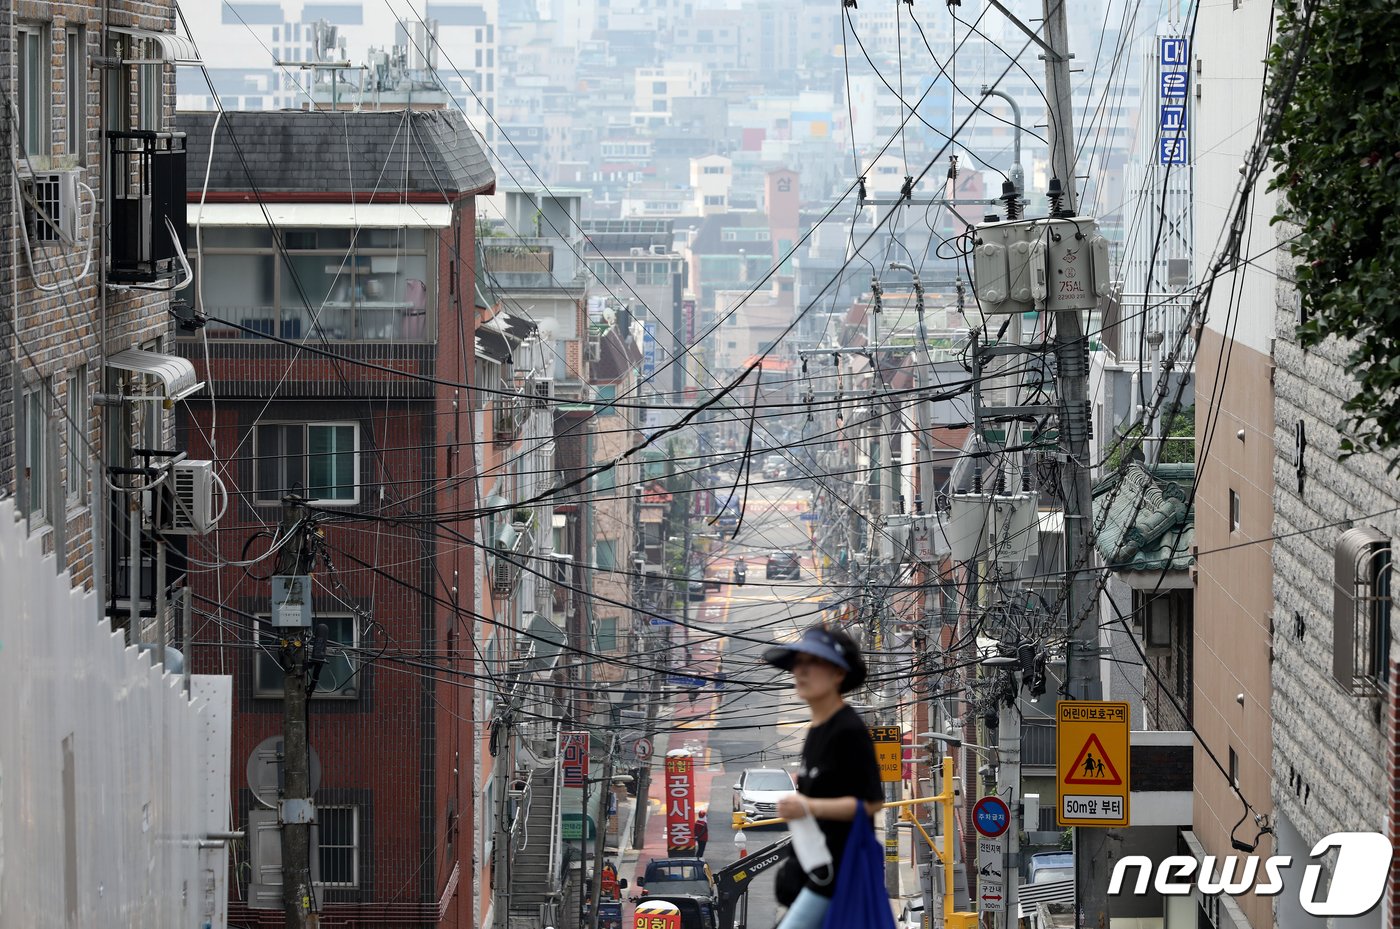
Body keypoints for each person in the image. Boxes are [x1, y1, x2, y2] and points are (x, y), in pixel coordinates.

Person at [763, 625, 883, 929]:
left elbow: (870, 803)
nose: (800, 672)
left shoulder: (849, 730)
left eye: (812, 664)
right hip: (814, 871)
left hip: (838, 877)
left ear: (837, 674)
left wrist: (807, 807)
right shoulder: (817, 729)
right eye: (797, 664)